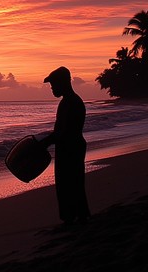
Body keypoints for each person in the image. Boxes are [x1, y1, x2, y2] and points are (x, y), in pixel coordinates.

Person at [40, 66, 90, 224]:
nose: (52, 88)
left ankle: (75, 217)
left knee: (69, 184)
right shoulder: (69, 102)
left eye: (54, 84)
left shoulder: (72, 102)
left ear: (63, 83)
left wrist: (45, 142)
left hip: (71, 147)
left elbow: (66, 131)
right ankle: (77, 216)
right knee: (69, 184)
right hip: (69, 146)